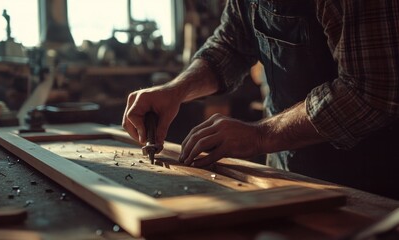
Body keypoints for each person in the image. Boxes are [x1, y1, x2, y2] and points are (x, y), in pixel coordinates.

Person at [122, 0, 399, 199]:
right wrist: (176, 90)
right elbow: (230, 45)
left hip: (366, 186)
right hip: (286, 174)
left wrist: (260, 135)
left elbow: (371, 91)